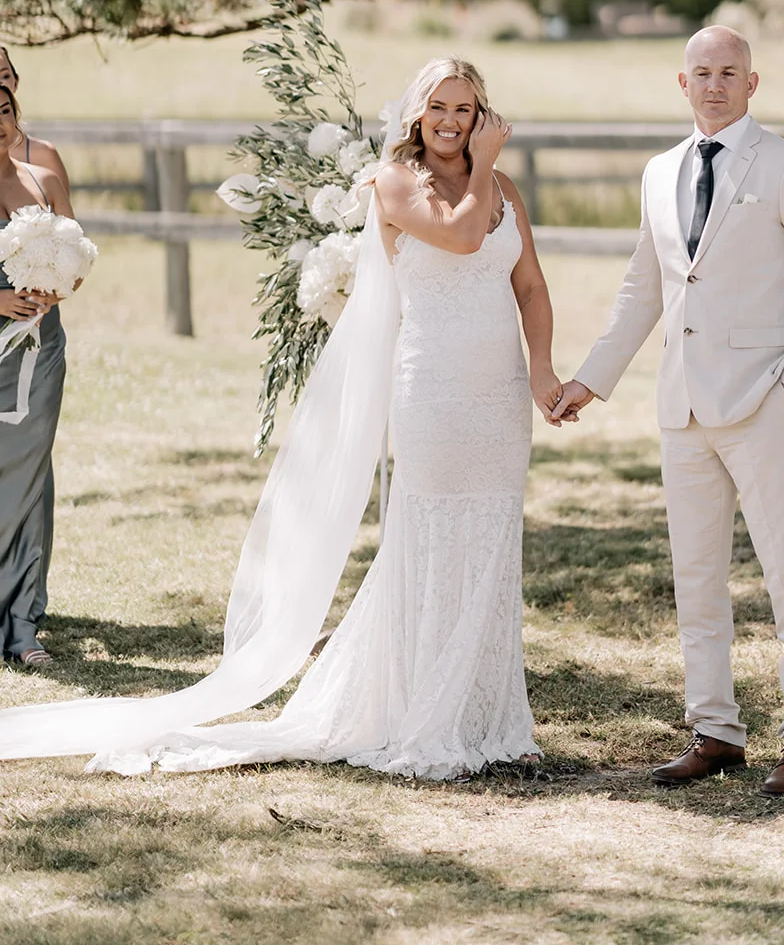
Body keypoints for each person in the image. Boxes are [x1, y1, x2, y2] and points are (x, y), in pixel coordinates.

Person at [0, 57, 563, 779]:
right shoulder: (395, 183)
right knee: (429, 538)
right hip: (434, 391)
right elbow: (459, 236)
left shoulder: (504, 190)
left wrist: (542, 370)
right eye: (439, 107)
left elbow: (530, 285)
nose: (452, 122)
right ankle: (424, 709)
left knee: (492, 538)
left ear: (482, 114)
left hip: (500, 394)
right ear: (418, 116)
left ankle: (490, 714)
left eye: (465, 108)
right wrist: (484, 163)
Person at [552, 26, 784, 798]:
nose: (714, 84)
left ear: (751, 83)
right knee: (695, 578)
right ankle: (715, 730)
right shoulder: (660, 171)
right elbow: (644, 288)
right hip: (681, 406)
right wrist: (591, 379)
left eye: (729, 72)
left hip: (764, 402)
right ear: (681, 82)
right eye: (702, 72)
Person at [0, 84, 78, 667]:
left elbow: (77, 257)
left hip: (40, 350)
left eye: (4, 111)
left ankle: (23, 624)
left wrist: (57, 287)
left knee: (31, 476)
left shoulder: (43, 180)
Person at [0, 50, 71, 197]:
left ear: (15, 82)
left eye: (5, 76)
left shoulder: (44, 155)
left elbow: (63, 210)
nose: (1, 83)